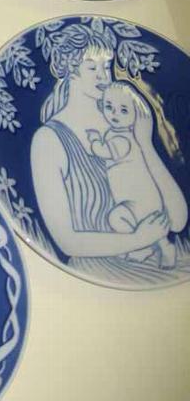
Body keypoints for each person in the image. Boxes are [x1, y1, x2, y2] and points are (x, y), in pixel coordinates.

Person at [30, 23, 187, 281]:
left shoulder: (123, 123)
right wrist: (138, 239)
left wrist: (145, 144)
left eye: (106, 66)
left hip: (157, 265)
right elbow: (66, 242)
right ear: (69, 69)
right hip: (94, 273)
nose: (104, 76)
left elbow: (178, 221)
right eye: (92, 68)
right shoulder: (48, 140)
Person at [89, 82, 176, 268]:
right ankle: (150, 247)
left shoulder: (123, 139)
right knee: (120, 219)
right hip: (132, 199)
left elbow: (104, 151)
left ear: (136, 113)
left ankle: (153, 247)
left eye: (123, 110)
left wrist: (94, 140)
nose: (115, 114)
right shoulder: (115, 133)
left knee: (123, 219)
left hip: (141, 199)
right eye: (109, 107)